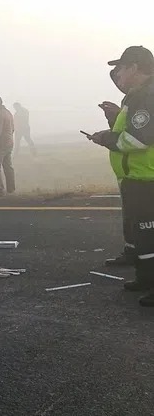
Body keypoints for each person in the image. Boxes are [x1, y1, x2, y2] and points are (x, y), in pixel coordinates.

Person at [87, 45, 154, 306]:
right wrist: (115, 118)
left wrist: (107, 138)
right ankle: (146, 279)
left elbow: (138, 140)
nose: (118, 74)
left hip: (147, 178)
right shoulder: (139, 95)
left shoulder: (145, 96)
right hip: (140, 176)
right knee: (143, 236)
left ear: (135, 67)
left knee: (149, 235)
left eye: (122, 68)